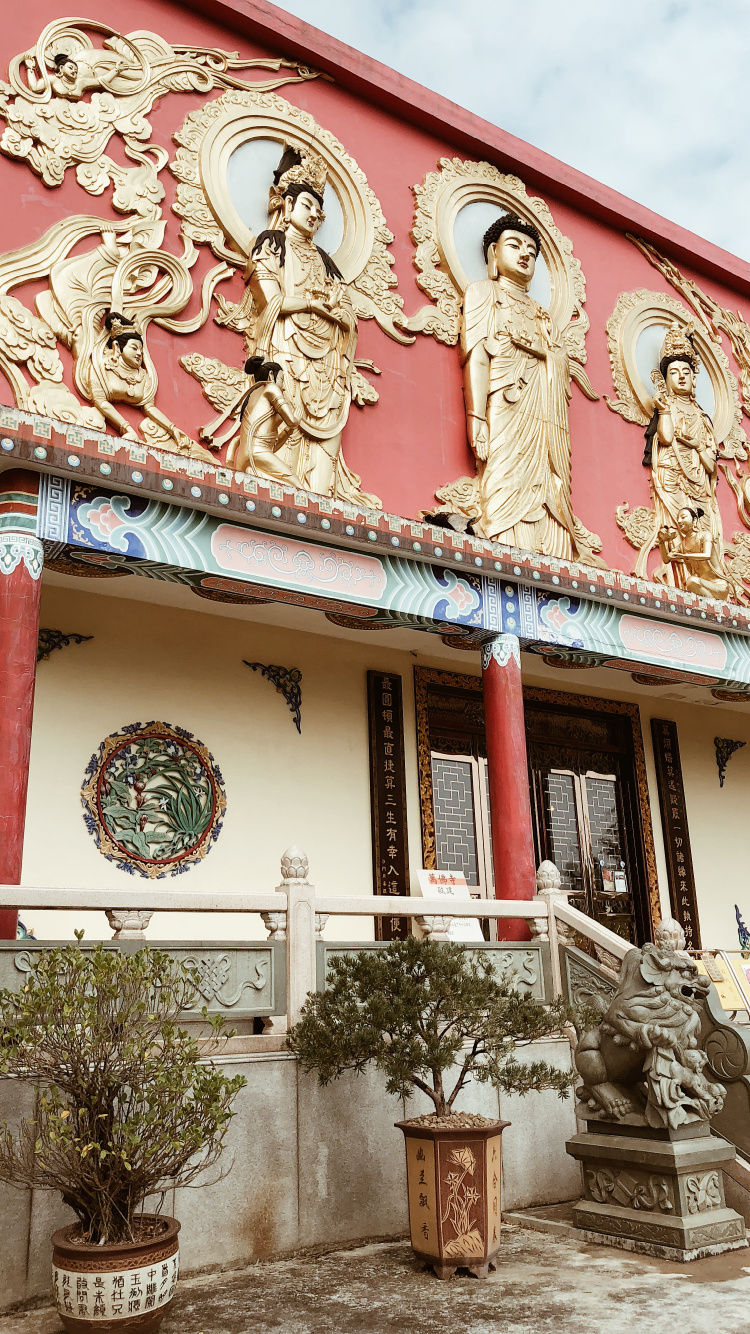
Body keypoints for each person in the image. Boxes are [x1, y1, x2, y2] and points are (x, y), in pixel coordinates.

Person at [245, 145, 379, 507]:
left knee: (325, 443)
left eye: (319, 212)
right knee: (277, 431)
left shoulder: (328, 264)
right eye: (307, 206)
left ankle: (320, 504)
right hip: (287, 351)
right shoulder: (272, 244)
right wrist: (312, 305)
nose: (314, 215)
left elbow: (347, 313)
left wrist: (338, 316)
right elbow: (270, 297)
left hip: (326, 366)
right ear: (287, 207)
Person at [229, 355, 303, 486]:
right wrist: (296, 419)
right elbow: (291, 420)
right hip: (257, 453)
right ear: (271, 375)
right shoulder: (270, 388)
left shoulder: (252, 395)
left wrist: (288, 431)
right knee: (299, 488)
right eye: (281, 379)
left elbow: (271, 447)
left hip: (244, 457)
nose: (283, 387)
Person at [657, 506, 730, 600]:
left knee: (691, 581)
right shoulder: (682, 545)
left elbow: (706, 555)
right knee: (692, 582)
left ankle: (712, 603)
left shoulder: (705, 536)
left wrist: (684, 556)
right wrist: (662, 542)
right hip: (700, 585)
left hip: (718, 586)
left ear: (694, 520)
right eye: (678, 519)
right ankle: (712, 604)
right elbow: (666, 559)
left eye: (683, 517)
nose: (679, 521)